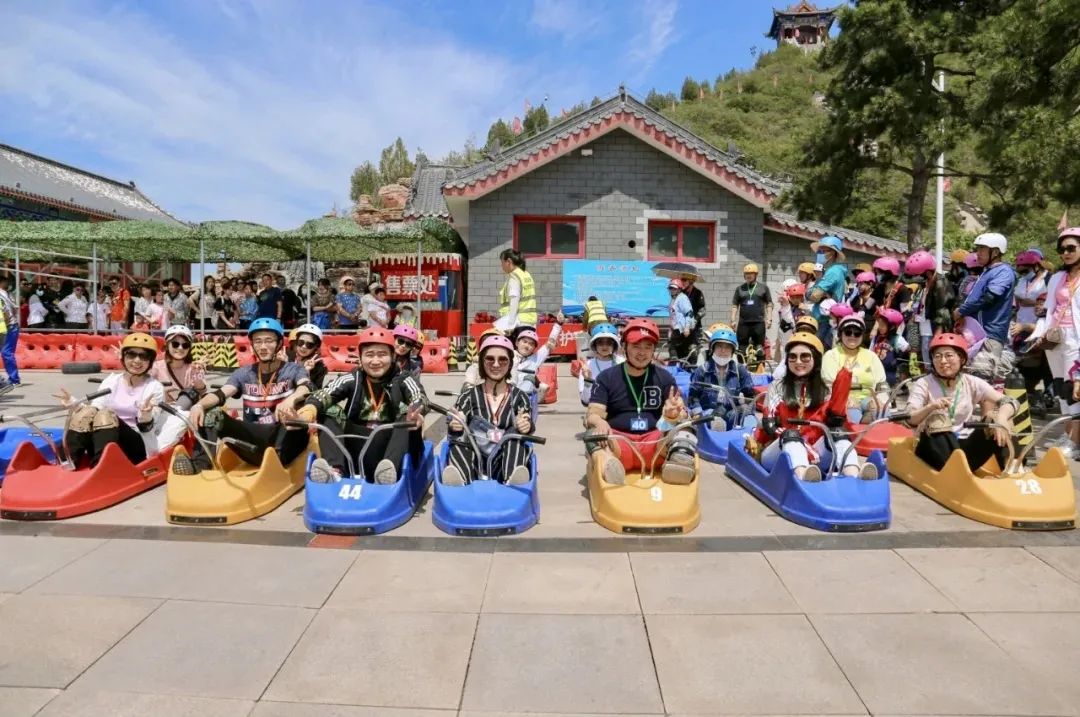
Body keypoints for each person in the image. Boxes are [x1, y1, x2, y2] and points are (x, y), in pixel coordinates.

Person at [178, 318, 311, 472]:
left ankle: (279, 460)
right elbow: (220, 394)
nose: (263, 346)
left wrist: (291, 400)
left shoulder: (293, 369)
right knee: (212, 413)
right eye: (258, 341)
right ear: (252, 345)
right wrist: (199, 405)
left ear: (280, 343)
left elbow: (306, 387)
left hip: (286, 438)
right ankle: (199, 466)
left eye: (269, 341)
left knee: (293, 422)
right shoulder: (244, 373)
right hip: (255, 440)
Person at [296, 327, 425, 484]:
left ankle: (387, 474)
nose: (375, 361)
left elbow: (419, 396)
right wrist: (308, 411)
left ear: (392, 356)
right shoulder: (354, 378)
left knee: (407, 415)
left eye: (382, 355)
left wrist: (416, 411)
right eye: (369, 355)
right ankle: (335, 471)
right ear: (360, 357)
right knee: (328, 410)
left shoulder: (403, 378)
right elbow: (325, 393)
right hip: (357, 444)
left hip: (390, 445)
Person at [584, 318, 698, 485]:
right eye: (636, 346)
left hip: (655, 444)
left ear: (654, 350)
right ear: (624, 347)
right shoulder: (606, 377)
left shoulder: (664, 377)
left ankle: (677, 466)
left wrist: (674, 415)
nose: (642, 352)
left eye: (648, 347)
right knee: (593, 434)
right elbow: (593, 414)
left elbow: (681, 410)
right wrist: (600, 422)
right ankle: (609, 465)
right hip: (619, 444)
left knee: (685, 427)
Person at [751, 332, 875, 482]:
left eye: (805, 356)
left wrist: (843, 381)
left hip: (814, 454)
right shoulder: (777, 387)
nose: (798, 361)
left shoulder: (824, 390)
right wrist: (800, 442)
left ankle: (854, 475)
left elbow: (836, 421)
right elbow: (769, 424)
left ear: (815, 359)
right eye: (793, 357)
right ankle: (803, 478)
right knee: (791, 435)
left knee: (838, 434)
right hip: (778, 452)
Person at [904, 333, 1017, 471]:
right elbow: (910, 418)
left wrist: (1002, 418)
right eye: (937, 356)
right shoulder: (924, 383)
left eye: (949, 355)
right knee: (937, 418)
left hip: (963, 447)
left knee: (995, 420)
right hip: (932, 449)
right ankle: (954, 471)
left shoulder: (971, 382)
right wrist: (930, 407)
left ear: (962, 359)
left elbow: (1010, 401)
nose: (943, 361)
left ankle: (1008, 467)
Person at [54, 333, 168, 467]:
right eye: (131, 355)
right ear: (123, 357)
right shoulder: (112, 381)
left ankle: (102, 466)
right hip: (104, 438)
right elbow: (95, 407)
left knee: (106, 415)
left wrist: (146, 415)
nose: (137, 360)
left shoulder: (155, 387)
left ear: (150, 361)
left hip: (136, 445)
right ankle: (68, 461)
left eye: (143, 356)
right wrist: (74, 404)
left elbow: (148, 427)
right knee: (87, 412)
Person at [442, 333, 534, 486]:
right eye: (490, 359)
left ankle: (514, 482)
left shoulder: (520, 397)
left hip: (504, 460)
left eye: (502, 359)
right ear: (482, 362)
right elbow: (459, 415)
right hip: (474, 462)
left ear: (510, 364)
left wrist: (525, 425)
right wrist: (456, 423)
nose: (496, 365)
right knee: (459, 440)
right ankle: (459, 482)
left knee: (516, 439)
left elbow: (525, 417)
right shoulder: (468, 395)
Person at [1027, 228, 1080, 458]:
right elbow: (1048, 310)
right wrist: (1039, 334)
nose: (1065, 253)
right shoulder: (1057, 277)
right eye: (1062, 249)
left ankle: (1074, 441)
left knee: (1074, 388)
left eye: (1071, 248)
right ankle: (1069, 434)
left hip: (1076, 339)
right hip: (1056, 337)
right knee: (1060, 388)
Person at [955, 232, 1016, 362]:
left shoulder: (1003, 271)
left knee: (982, 372)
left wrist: (961, 311)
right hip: (974, 334)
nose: (978, 253)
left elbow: (988, 298)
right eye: (977, 249)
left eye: (982, 249)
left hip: (989, 337)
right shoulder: (987, 271)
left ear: (995, 252)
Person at [821, 315, 888, 423]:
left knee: (882, 415)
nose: (852, 336)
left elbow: (882, 384)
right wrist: (845, 399)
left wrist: (880, 400)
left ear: (862, 336)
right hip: (843, 401)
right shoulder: (831, 355)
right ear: (840, 334)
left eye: (857, 333)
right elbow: (828, 385)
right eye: (848, 332)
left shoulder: (871, 356)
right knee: (852, 420)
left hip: (869, 399)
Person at [149, 325, 207, 446]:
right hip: (159, 412)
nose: (180, 348)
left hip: (184, 415)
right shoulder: (156, 367)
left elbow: (202, 392)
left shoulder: (194, 367)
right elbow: (142, 384)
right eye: (175, 344)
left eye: (185, 345)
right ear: (167, 345)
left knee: (190, 392)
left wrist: (197, 375)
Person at [689, 327, 757, 430]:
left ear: (732, 351)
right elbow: (693, 397)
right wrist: (699, 414)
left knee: (750, 422)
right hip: (708, 413)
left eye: (727, 347)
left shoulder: (739, 370)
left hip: (732, 412)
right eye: (719, 346)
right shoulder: (702, 370)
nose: (723, 351)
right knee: (716, 424)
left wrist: (746, 411)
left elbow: (751, 397)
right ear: (712, 349)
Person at [904, 250, 955, 365]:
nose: (916, 277)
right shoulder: (926, 283)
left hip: (934, 328)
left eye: (918, 274)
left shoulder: (941, 283)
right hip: (924, 325)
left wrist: (938, 333)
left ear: (927, 272)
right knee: (926, 356)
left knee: (934, 358)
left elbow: (943, 310)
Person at [806, 236, 849, 348]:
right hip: (825, 319)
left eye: (823, 251)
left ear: (833, 253)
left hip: (825, 321)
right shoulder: (831, 271)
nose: (819, 254)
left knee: (817, 350)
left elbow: (814, 296)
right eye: (819, 251)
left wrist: (811, 292)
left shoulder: (833, 272)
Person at [512, 314, 563, 402]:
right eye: (524, 342)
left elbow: (551, 342)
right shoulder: (509, 355)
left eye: (531, 344)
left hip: (525, 397)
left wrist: (558, 324)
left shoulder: (535, 359)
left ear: (534, 348)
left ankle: (537, 394)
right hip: (508, 394)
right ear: (517, 343)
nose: (527, 346)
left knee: (529, 378)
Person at [578, 323, 624, 406]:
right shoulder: (587, 366)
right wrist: (588, 380)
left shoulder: (622, 363)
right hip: (597, 410)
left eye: (609, 342)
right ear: (594, 344)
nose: (604, 346)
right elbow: (585, 401)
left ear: (614, 345)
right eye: (600, 342)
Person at [730, 263, 773, 352]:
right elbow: (735, 305)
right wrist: (733, 320)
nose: (749, 275)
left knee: (759, 349)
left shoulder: (763, 288)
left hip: (758, 323)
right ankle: (742, 360)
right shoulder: (740, 289)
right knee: (742, 349)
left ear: (756, 275)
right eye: (746, 273)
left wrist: (769, 319)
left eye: (751, 273)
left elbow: (769, 304)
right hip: (743, 324)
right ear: (744, 275)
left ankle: (760, 360)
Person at [494, 249, 537, 333]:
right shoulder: (526, 274)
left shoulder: (514, 277)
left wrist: (510, 325)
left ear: (508, 262)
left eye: (502, 262)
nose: (501, 266)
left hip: (518, 324)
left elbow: (514, 301)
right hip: (530, 322)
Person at [868, 308, 909, 386]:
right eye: (879, 324)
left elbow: (908, 350)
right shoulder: (876, 338)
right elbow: (870, 352)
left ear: (892, 327)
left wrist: (902, 368)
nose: (880, 327)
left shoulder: (897, 339)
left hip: (889, 376)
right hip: (874, 373)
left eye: (882, 325)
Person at [1013, 250, 1048, 327]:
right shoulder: (1021, 280)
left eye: (1025, 271)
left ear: (1036, 266)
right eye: (1020, 272)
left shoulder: (1048, 279)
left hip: (1038, 326)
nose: (1023, 274)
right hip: (1020, 324)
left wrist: (1034, 303)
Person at [288, 323, 328, 389]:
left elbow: (315, 391)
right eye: (300, 342)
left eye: (309, 345)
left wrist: (306, 372)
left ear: (316, 347)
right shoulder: (287, 358)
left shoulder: (319, 368)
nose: (304, 347)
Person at [667, 278, 696, 362]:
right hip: (677, 329)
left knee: (672, 347)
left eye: (674, 288)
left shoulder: (682, 298)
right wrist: (671, 329)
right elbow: (674, 316)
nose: (672, 290)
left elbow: (689, 313)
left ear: (679, 289)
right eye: (670, 288)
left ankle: (675, 364)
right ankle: (680, 365)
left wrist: (687, 327)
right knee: (679, 350)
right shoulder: (674, 299)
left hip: (682, 329)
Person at [0, 276, 20, 385]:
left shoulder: (3, 295)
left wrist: (8, 323)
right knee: (7, 352)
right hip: (11, 326)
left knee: (6, 352)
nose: (8, 284)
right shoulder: (7, 295)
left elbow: (6, 312)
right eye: (6, 282)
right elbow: (14, 309)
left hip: (8, 328)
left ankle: (13, 379)